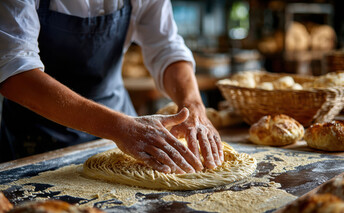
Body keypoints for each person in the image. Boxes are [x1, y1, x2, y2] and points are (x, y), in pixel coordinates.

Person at [0, 0, 223, 174]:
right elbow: (15, 71)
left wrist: (193, 105)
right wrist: (121, 128)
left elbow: (166, 47)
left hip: (123, 134)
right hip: (37, 137)